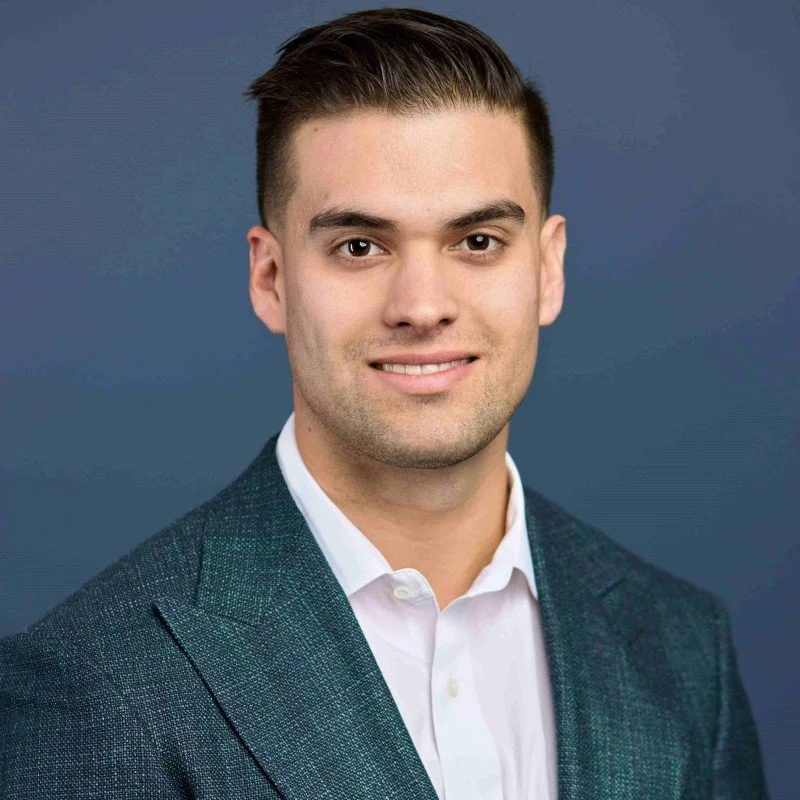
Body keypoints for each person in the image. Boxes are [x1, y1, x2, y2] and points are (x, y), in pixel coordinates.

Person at [0, 7, 769, 799]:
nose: (423, 305)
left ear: (547, 269)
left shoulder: (682, 649)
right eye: (359, 247)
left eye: (478, 242)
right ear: (271, 280)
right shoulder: (91, 684)